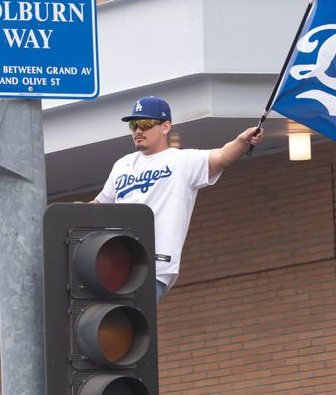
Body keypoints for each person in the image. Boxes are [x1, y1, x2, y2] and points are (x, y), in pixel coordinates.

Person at [92, 96, 264, 302]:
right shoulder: (122, 164)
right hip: (117, 261)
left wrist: (241, 141)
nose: (138, 131)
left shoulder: (180, 160)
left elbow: (221, 157)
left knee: (129, 321)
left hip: (153, 265)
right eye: (133, 125)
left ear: (165, 127)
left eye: (145, 124)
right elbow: (99, 205)